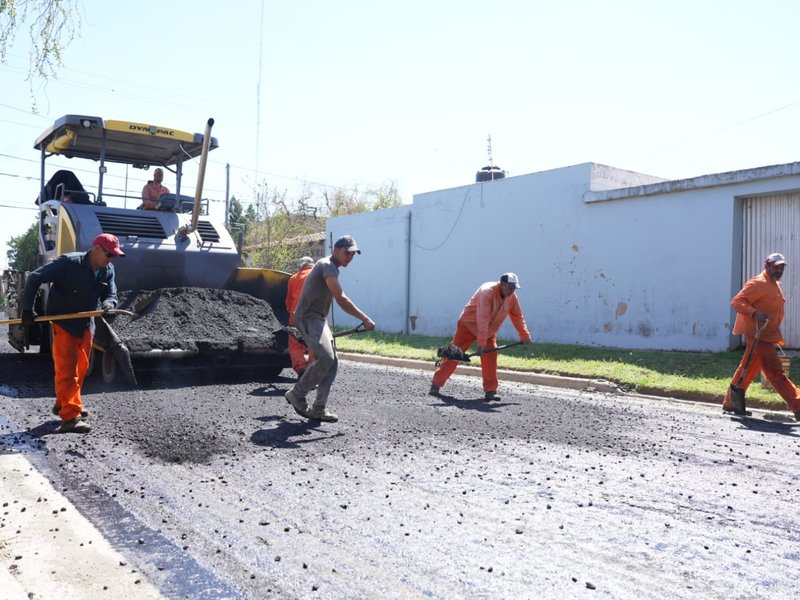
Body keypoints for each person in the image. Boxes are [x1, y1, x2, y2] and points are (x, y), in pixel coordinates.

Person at [20, 233, 124, 433]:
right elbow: (35, 277)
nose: (111, 259)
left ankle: (64, 403)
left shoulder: (107, 270)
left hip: (86, 325)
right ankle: (70, 417)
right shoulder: (69, 263)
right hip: (64, 324)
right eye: (109, 254)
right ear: (95, 249)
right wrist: (27, 309)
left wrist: (109, 304)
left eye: (114, 256)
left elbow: (111, 294)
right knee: (67, 370)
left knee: (81, 368)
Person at [284, 235, 375, 422]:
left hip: (318, 319)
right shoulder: (326, 265)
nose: (350, 257)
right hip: (308, 318)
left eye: (353, 254)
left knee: (332, 363)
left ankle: (318, 409)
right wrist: (364, 318)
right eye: (347, 253)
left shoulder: (332, 267)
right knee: (326, 357)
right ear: (335, 250)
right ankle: (297, 394)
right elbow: (341, 298)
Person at [430, 273, 532, 401]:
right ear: (503, 284)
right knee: (454, 354)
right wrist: (481, 343)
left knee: (490, 356)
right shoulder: (487, 292)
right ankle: (436, 384)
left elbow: (517, 317)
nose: (513, 291)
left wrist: (524, 334)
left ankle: (491, 391)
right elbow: (482, 318)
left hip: (488, 330)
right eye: (511, 287)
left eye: (514, 288)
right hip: (469, 325)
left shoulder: (512, 298)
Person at [723, 252, 800, 420]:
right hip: (758, 335)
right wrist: (754, 312)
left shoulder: (773, 282)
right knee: (775, 371)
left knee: (748, 367)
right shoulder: (758, 283)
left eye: (782, 267)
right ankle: (798, 404)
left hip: (765, 334)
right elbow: (737, 301)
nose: (779, 270)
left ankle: (731, 402)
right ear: (767, 266)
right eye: (776, 267)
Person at [285, 256, 316, 378]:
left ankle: (301, 368)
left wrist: (290, 314)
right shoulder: (319, 275)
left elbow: (288, 301)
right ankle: (314, 370)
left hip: (296, 315)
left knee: (295, 343)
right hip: (315, 316)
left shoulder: (294, 278)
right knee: (315, 343)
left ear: (301, 265)